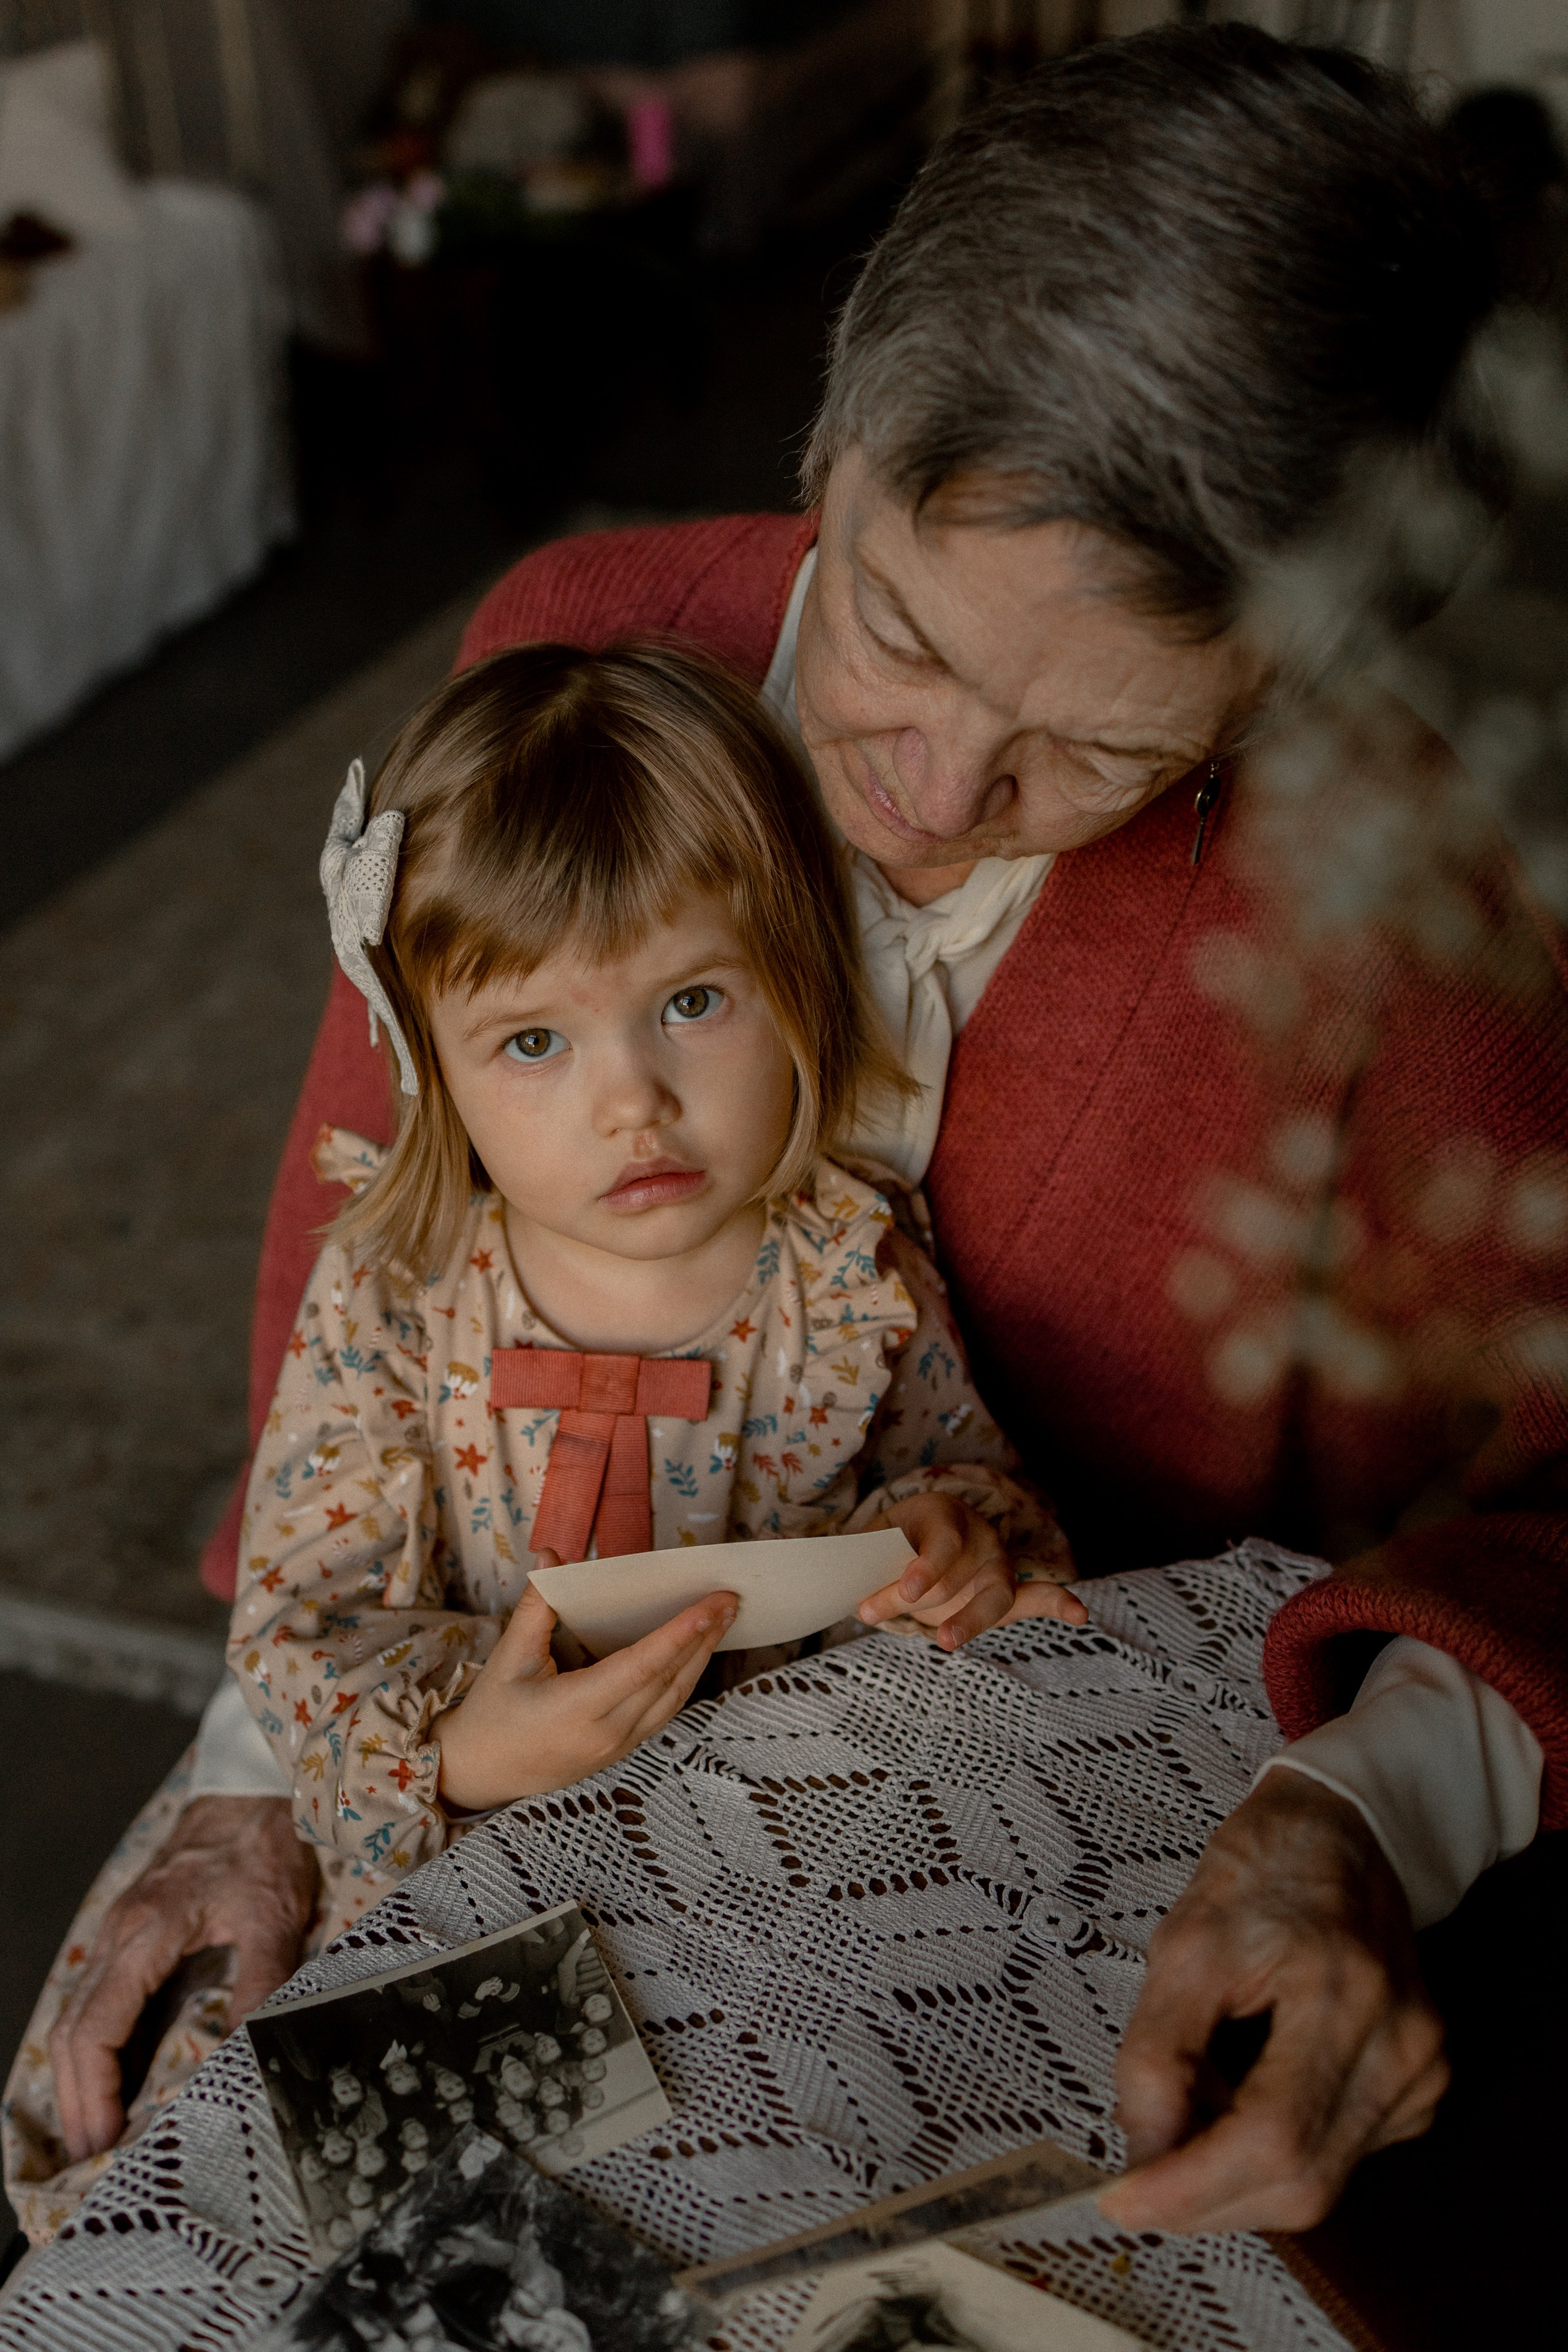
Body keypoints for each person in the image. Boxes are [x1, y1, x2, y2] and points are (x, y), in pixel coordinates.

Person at [21, 21, 1568, 2253]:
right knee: (276, 2232)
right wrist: (271, 1787)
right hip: (447, 1745)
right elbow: (361, 1302)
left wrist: (1374, 1798)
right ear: (833, 440)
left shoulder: (1397, 907)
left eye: (1097, 752)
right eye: (900, 641)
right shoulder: (572, 653)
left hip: (975, 1867)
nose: (930, 805)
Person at [227, 636, 1080, 1936]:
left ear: (797, 977)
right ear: (430, 1068)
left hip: (789, 1867)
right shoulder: (393, 1295)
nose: (630, 1099)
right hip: (476, 1895)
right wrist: (462, 1755)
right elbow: (299, 1625)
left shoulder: (847, 1273)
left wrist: (948, 1552)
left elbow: (960, 1479)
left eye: (690, 1002)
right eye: (530, 1040)